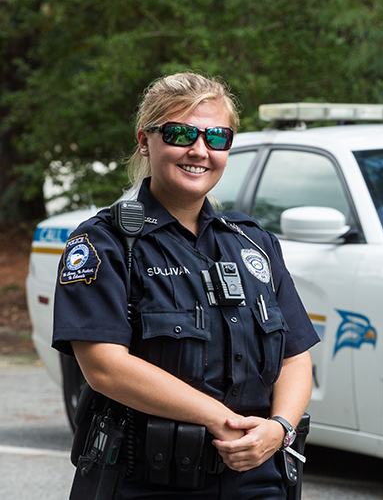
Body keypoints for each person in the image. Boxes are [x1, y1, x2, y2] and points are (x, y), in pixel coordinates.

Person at [52, 72, 319, 499]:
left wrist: (279, 427)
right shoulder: (106, 243)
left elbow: (296, 357)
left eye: (217, 137)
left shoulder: (253, 243)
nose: (200, 150)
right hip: (147, 482)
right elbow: (104, 367)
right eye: (180, 134)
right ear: (145, 140)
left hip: (258, 480)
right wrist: (218, 418)